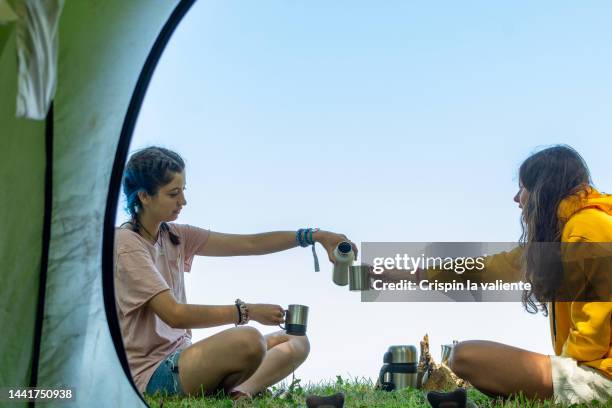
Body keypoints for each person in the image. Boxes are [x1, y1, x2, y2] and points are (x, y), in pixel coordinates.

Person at [114, 146, 357, 399]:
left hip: (186, 358)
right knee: (249, 340)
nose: (183, 201)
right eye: (173, 193)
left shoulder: (175, 235)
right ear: (144, 196)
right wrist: (247, 312)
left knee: (295, 341)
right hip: (154, 374)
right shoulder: (125, 244)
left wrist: (315, 236)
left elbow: (250, 244)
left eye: (183, 191)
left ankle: (242, 393)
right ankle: (238, 388)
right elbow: (175, 315)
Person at [439, 145, 611, 405]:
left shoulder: (586, 229)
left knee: (464, 356)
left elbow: (593, 335)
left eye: (523, 188)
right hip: (591, 369)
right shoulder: (560, 235)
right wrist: (416, 275)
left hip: (601, 377)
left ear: (543, 190)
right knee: (466, 357)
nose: (517, 198)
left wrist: (562, 382)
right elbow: (495, 268)